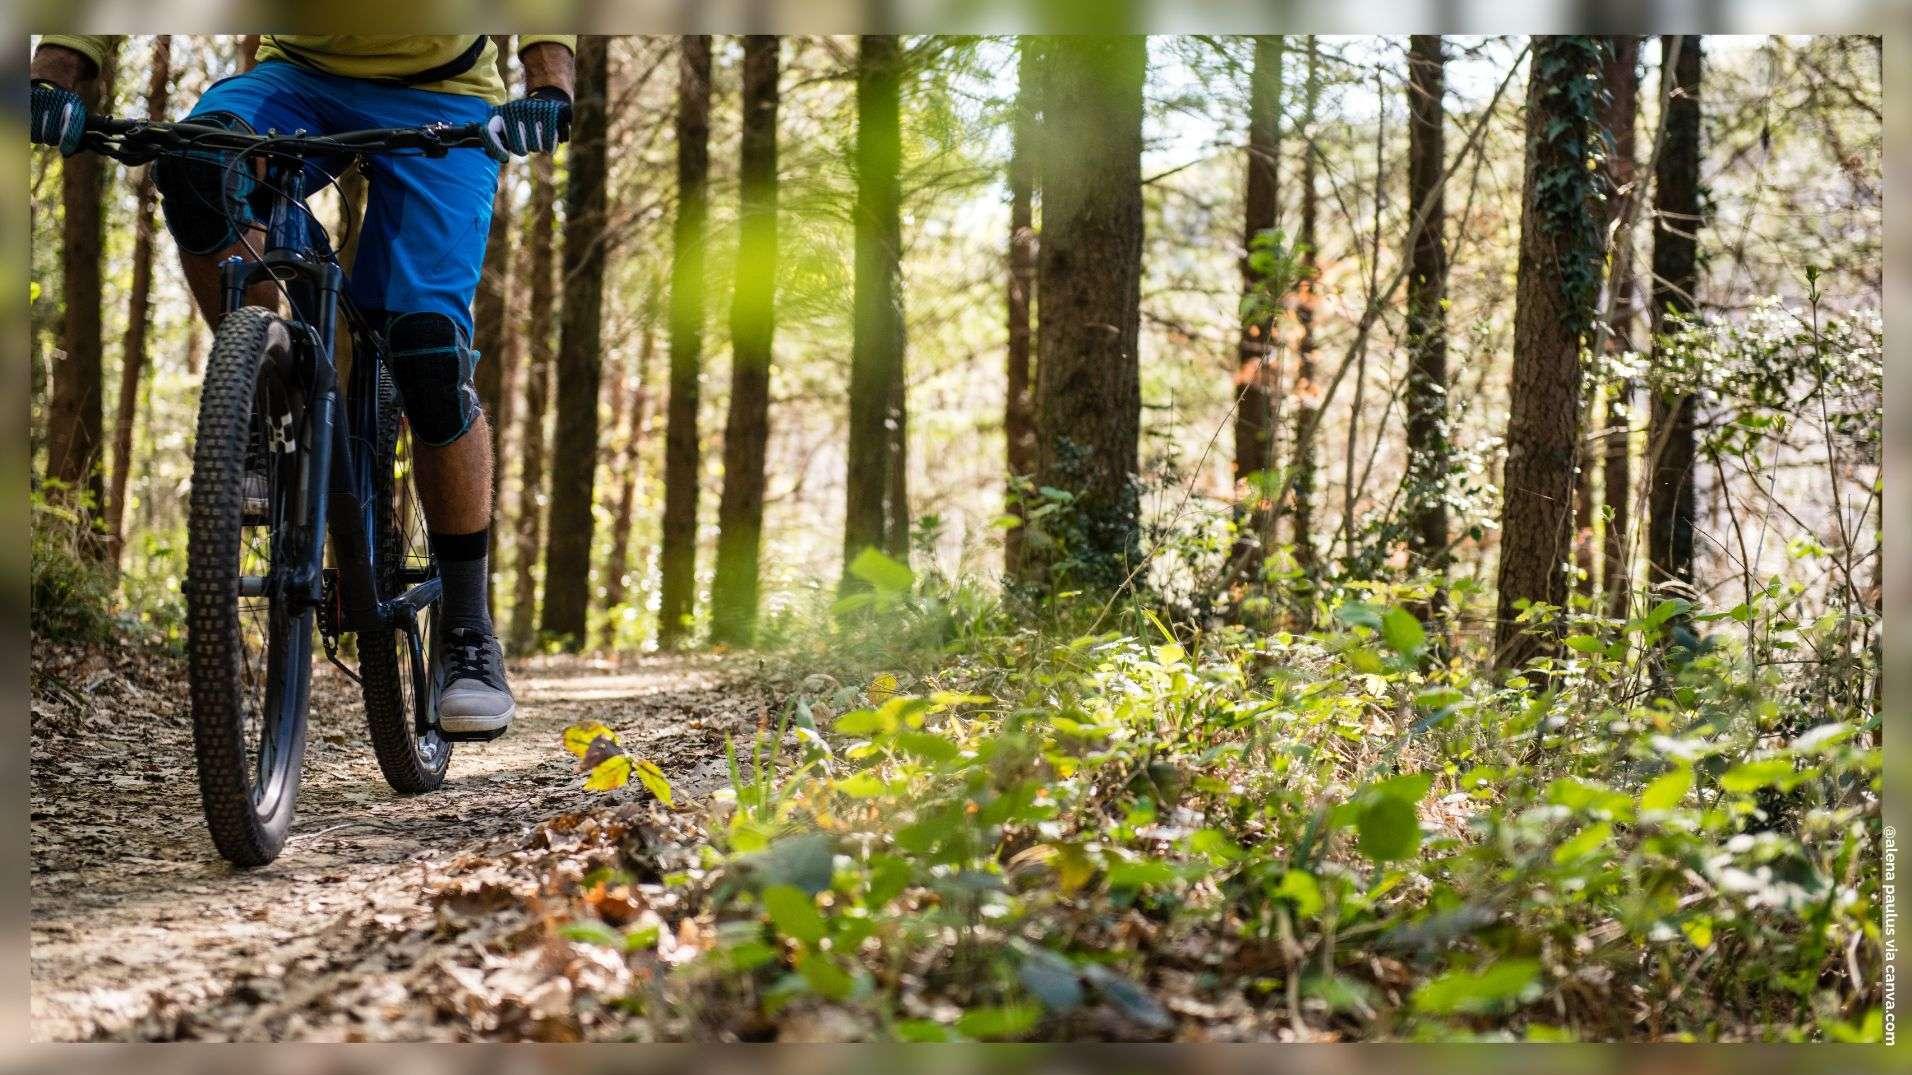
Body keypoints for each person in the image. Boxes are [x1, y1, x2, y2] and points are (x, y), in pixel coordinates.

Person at [28, 35, 576, 737]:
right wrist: (57, 72)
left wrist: (547, 81)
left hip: (447, 94)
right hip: (295, 80)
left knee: (429, 355)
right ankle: (265, 399)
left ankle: (467, 630)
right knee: (197, 163)